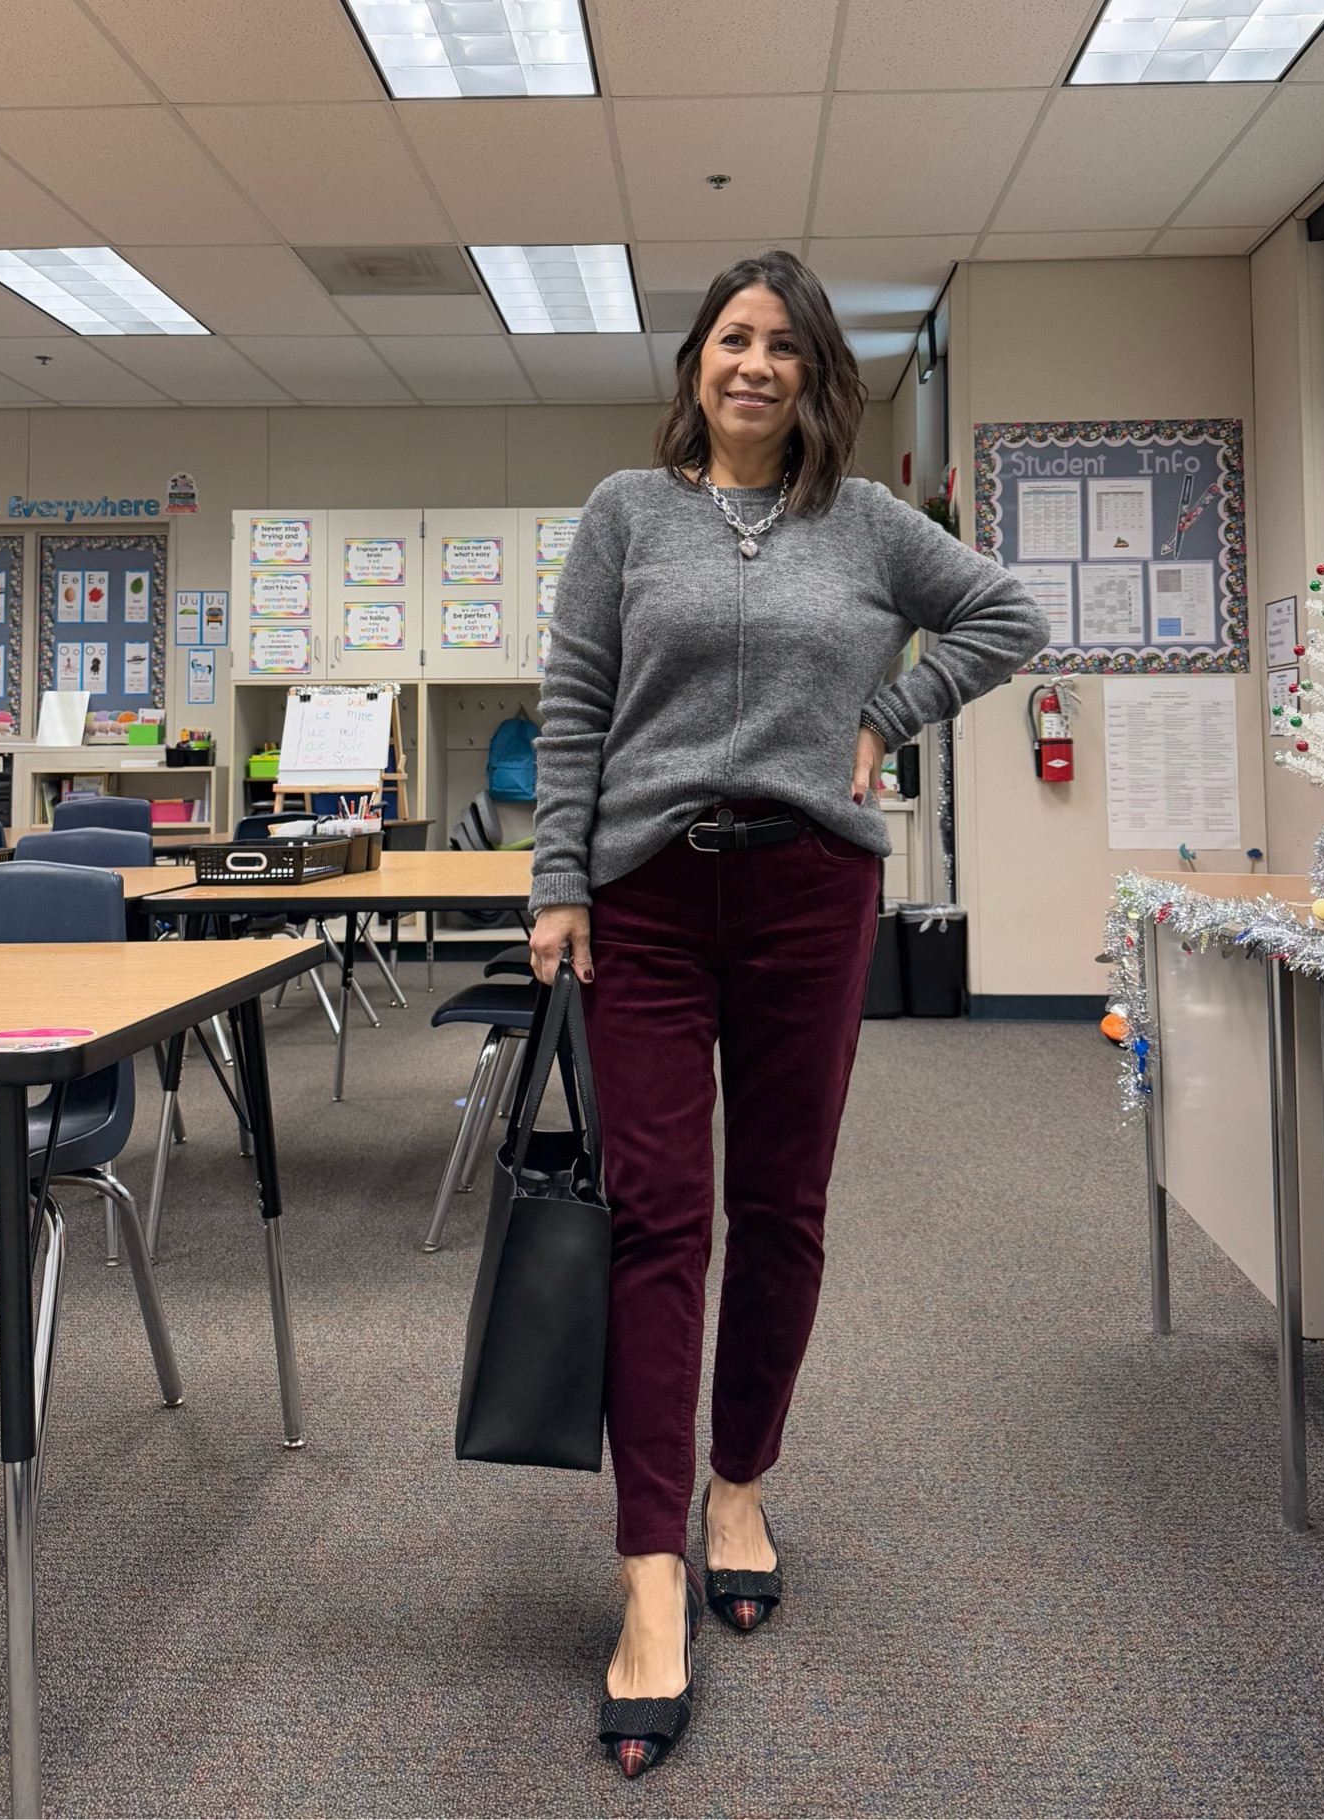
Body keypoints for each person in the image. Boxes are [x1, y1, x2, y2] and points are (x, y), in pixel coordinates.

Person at [527, 248, 1049, 1777]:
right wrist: (560, 881)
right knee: (656, 1218)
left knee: (786, 1208)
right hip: (645, 895)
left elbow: (1006, 617)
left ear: (819, 376)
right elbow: (571, 705)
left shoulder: (869, 524)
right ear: (698, 362)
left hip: (810, 895)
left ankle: (739, 1478)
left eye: (786, 347)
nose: (755, 365)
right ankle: (647, 1574)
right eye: (732, 339)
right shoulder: (628, 513)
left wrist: (879, 717)